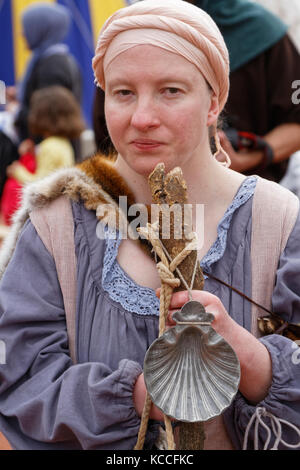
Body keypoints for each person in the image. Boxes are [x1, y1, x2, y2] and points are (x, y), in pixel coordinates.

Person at [0, 0, 299, 451]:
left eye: (171, 91)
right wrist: (146, 396)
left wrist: (247, 353)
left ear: (214, 101)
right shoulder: (57, 224)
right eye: (123, 93)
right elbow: (19, 375)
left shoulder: (278, 219)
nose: (142, 117)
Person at [193, 0, 300, 183]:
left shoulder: (262, 31)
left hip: (253, 192)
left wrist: (244, 160)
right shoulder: (140, 28)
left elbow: (296, 123)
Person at [1, 86, 85, 225]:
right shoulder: (63, 143)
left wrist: (17, 171)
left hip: (49, 213)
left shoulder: (48, 146)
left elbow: (39, 184)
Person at [14, 2, 82, 143]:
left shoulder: (51, 66)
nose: (22, 33)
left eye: (27, 27)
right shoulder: (57, 59)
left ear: (41, 29)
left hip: (49, 153)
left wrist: (17, 111)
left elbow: (49, 118)